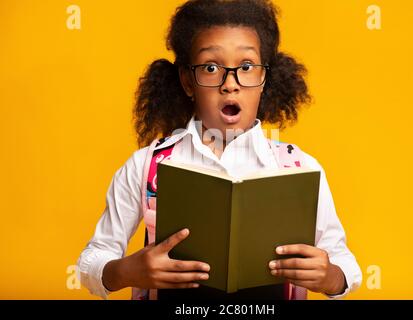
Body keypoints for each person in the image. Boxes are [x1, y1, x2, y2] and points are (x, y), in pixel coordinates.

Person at [77, 0, 362, 300]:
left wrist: (330, 277)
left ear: (264, 78)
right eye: (211, 68)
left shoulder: (301, 168)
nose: (230, 84)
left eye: (247, 67)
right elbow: (93, 259)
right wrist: (125, 271)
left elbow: (344, 262)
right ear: (188, 81)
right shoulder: (145, 165)